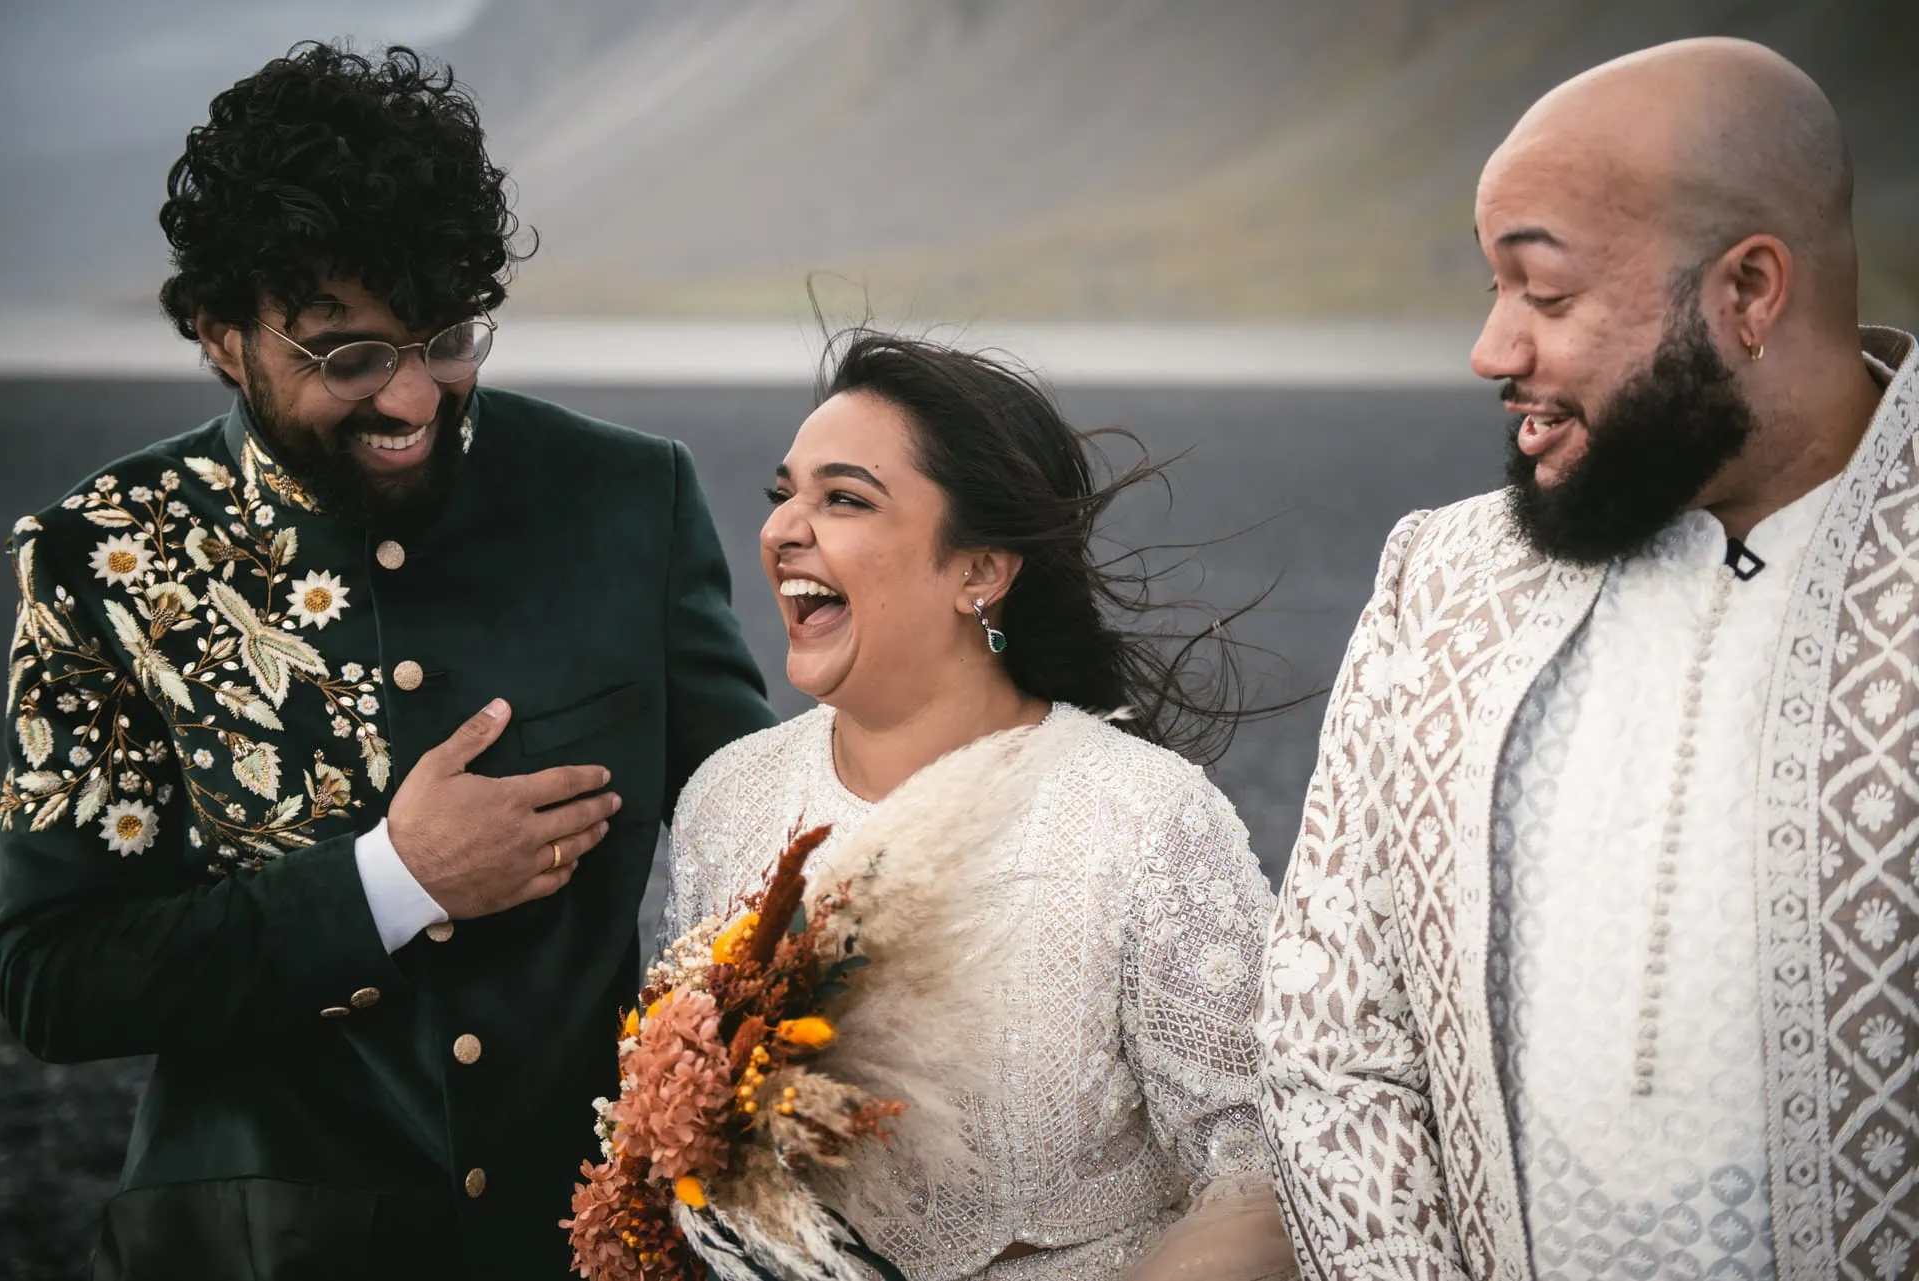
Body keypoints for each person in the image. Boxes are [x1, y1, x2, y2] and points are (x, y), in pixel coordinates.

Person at [0, 43, 774, 1279]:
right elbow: (50, 981)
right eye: (348, 355)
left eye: (450, 338)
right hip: (239, 1253)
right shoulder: (103, 557)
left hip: (581, 1246)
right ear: (219, 333)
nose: (415, 399)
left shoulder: (631, 499)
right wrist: (388, 882)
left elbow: (761, 839)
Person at [1255, 37, 1916, 1281]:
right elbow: (1329, 1039)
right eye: (1494, 291)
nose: (1492, 350)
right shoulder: (1440, 578)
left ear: (1750, 292)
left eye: (1546, 296)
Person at [661, 331, 1299, 1280]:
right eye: (784, 493)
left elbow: (1270, 1182)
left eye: (843, 498)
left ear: (980, 571)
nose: (786, 527)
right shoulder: (730, 798)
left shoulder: (1140, 816)